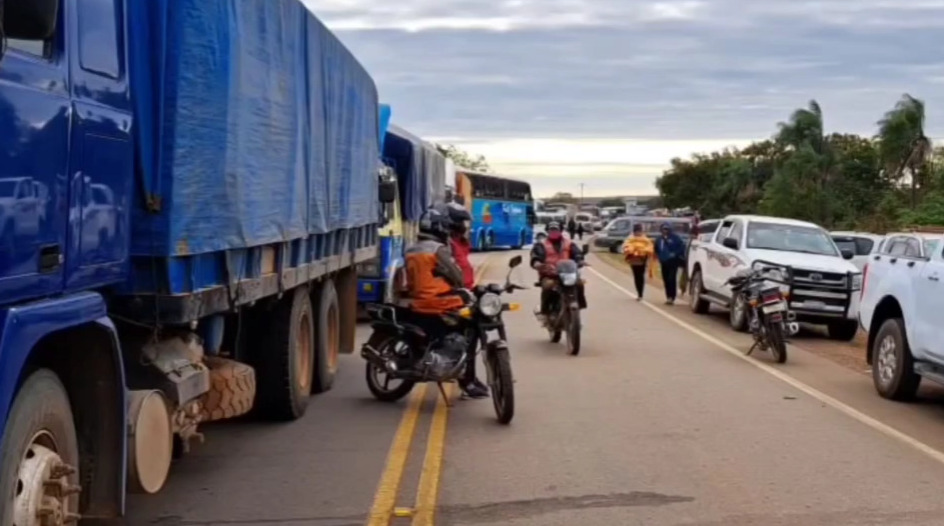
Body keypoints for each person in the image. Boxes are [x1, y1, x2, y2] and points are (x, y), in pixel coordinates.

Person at [403, 203, 488, 398]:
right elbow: (456, 275)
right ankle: (466, 378)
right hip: (439, 303)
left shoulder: (412, 248)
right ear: (441, 227)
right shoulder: (438, 249)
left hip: (418, 303)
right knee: (471, 328)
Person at [445, 202, 489, 399]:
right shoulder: (445, 245)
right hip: (452, 297)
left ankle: (469, 376)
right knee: (468, 333)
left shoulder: (459, 242)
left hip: (465, 294)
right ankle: (466, 379)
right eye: (463, 222)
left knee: (475, 331)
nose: (466, 226)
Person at [530, 221, 587, 320]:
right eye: (551, 230)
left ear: (561, 231)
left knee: (579, 283)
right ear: (547, 231)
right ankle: (545, 312)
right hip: (550, 274)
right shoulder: (541, 244)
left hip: (567, 273)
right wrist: (537, 263)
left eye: (556, 230)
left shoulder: (569, 243)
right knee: (548, 286)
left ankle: (579, 305)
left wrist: (580, 260)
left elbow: (577, 253)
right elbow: (536, 256)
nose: (554, 232)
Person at [621, 223, 654, 301]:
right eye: (636, 231)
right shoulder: (630, 239)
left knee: (640, 276)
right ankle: (639, 293)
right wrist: (632, 250)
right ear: (634, 231)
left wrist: (642, 251)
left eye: (639, 231)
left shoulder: (646, 239)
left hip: (642, 260)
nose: (638, 233)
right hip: (633, 260)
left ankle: (640, 293)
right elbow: (626, 246)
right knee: (636, 276)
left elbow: (650, 248)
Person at [654, 222, 685, 305]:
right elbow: (656, 249)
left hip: (673, 262)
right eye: (664, 229)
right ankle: (668, 296)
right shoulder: (659, 239)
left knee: (671, 279)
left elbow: (681, 247)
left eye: (667, 229)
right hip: (663, 262)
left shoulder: (675, 238)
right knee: (666, 280)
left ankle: (672, 297)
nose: (665, 231)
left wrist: (675, 254)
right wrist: (658, 257)